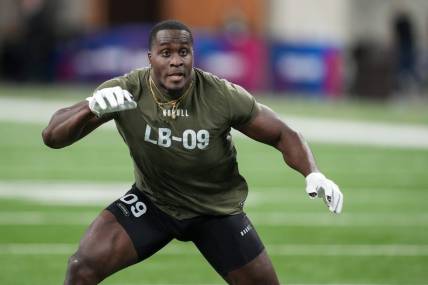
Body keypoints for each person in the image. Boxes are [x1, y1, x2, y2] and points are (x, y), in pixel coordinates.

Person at [42, 20, 343, 285]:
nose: (176, 61)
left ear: (193, 56)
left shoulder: (221, 95)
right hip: (153, 203)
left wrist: (313, 172)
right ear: (150, 59)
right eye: (166, 53)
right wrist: (89, 107)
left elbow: (282, 133)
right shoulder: (127, 90)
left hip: (215, 211)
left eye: (183, 53)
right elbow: (52, 137)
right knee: (82, 267)